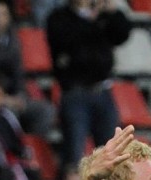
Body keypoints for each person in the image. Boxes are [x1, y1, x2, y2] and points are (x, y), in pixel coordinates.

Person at [46, 0, 132, 169]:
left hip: (103, 90)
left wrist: (114, 13)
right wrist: (89, 19)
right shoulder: (59, 18)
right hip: (75, 92)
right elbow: (68, 41)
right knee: (74, 153)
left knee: (112, 151)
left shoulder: (102, 16)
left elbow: (121, 35)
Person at [0, 1, 56, 138]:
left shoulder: (13, 37)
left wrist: (20, 95)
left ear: (8, 17)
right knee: (9, 112)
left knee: (45, 110)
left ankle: (32, 145)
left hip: (12, 95)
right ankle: (12, 148)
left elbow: (18, 72)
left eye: (2, 15)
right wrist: (1, 98)